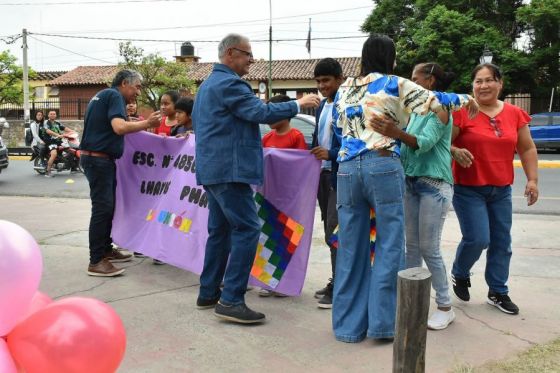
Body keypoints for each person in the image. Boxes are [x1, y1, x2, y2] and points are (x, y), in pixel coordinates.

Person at [331, 34, 477, 343]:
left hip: (346, 169)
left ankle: (347, 328)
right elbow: (438, 101)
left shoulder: (344, 87)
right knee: (389, 245)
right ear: (390, 58)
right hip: (382, 165)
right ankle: (383, 325)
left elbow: (336, 127)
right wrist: (469, 99)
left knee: (351, 248)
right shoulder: (395, 84)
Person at [192, 33, 320, 324]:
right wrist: (298, 104)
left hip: (214, 170)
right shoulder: (229, 83)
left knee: (220, 231)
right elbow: (259, 112)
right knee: (248, 229)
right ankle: (232, 299)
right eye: (247, 54)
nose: (252, 59)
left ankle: (209, 291)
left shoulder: (208, 86)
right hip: (230, 170)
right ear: (230, 54)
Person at [370, 62, 457, 330]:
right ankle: (410, 302)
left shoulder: (440, 109)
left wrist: (396, 133)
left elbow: (424, 143)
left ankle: (445, 306)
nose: (410, 82)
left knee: (429, 248)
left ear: (429, 81)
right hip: (411, 184)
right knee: (412, 248)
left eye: (414, 78)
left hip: (435, 185)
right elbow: (404, 142)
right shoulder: (413, 110)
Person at [450, 63, 539, 315]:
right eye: (478, 81)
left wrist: (532, 180)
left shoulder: (514, 113)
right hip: (468, 188)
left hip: (501, 189)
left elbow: (527, 148)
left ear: (500, 83)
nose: (484, 86)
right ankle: (459, 271)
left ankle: (498, 291)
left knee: (502, 241)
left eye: (489, 80)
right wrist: (455, 151)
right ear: (472, 86)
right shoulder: (463, 112)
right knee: (478, 238)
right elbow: (443, 143)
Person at [80, 69, 161, 277]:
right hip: (98, 160)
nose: (138, 92)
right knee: (102, 209)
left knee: (108, 207)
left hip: (96, 159)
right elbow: (118, 127)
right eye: (137, 86)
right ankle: (96, 260)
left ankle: (106, 249)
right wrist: (147, 124)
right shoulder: (115, 95)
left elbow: (114, 125)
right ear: (125, 83)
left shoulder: (103, 95)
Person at [309, 58, 343, 309]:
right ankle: (336, 279)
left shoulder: (345, 105)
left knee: (335, 229)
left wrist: (330, 155)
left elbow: (352, 141)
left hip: (340, 174)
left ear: (340, 79)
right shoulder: (322, 106)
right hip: (321, 174)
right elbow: (316, 137)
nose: (322, 86)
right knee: (328, 226)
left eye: (327, 80)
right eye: (319, 81)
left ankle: (341, 286)